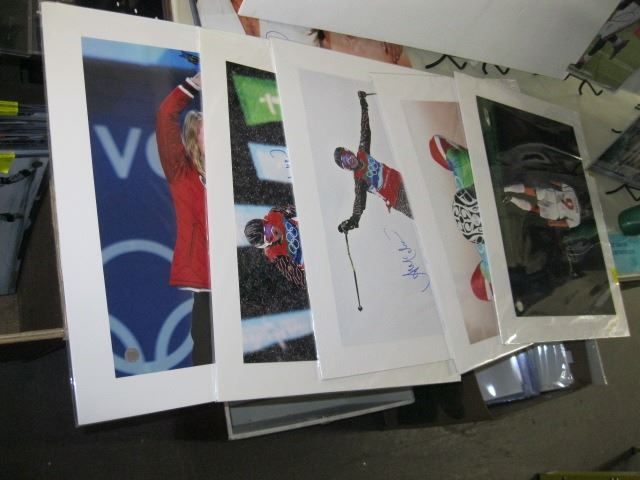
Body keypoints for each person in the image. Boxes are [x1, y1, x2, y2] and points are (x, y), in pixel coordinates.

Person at [156, 71, 213, 366]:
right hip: (208, 280)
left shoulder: (231, 174)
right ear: (194, 137)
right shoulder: (182, 172)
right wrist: (194, 84)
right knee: (207, 346)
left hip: (240, 274)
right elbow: (165, 116)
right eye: (207, 131)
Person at [335, 91, 412, 233]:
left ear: (350, 152)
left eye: (347, 155)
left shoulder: (362, 152)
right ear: (346, 168)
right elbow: (359, 203)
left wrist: (363, 105)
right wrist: (352, 221)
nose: (350, 159)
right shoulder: (359, 180)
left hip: (402, 180)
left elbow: (365, 129)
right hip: (397, 198)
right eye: (345, 162)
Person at [244, 205, 306, 288]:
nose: (272, 232)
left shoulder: (276, 213)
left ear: (266, 220)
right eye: (269, 237)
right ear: (268, 244)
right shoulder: (278, 257)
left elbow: (302, 208)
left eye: (268, 227)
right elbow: (301, 279)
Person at [503, 182, 581, 229]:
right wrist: (554, 223)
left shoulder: (572, 191)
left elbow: (558, 184)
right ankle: (512, 199)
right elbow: (566, 223)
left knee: (531, 191)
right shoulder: (577, 219)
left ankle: (507, 189)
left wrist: (548, 180)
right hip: (556, 212)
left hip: (553, 195)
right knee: (534, 208)